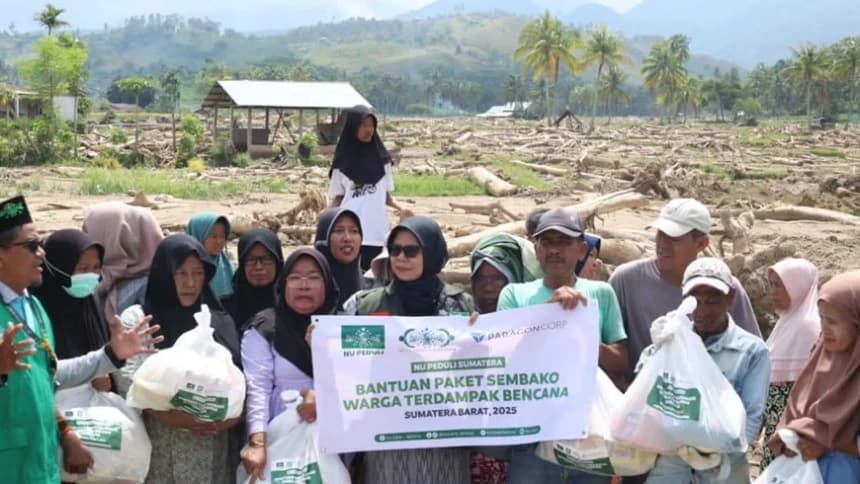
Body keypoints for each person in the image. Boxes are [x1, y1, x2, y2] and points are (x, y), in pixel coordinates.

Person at [0, 196, 162, 484]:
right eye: (32, 246)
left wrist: (109, 356)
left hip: (41, 462)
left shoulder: (34, 309)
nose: (41, 254)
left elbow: (49, 376)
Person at [494, 207, 628, 484]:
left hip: (589, 436)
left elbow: (620, 363)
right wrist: (549, 316)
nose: (554, 250)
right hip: (532, 438)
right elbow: (503, 359)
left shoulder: (601, 293)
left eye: (563, 242)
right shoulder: (514, 294)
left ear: (581, 250)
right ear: (536, 248)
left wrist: (580, 329)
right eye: (547, 242)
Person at [344, 215, 474, 484]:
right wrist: (320, 341)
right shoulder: (365, 306)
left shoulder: (461, 307)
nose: (401, 257)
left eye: (411, 250)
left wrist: (479, 337)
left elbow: (480, 365)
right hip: (388, 436)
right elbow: (345, 360)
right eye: (394, 250)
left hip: (445, 437)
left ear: (432, 253)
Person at [643, 257, 770, 484]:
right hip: (672, 464)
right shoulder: (673, 341)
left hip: (724, 468)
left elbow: (752, 416)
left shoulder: (751, 351)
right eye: (696, 301)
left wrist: (717, 453)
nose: (702, 310)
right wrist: (657, 352)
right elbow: (645, 392)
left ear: (730, 298)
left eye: (712, 301)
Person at [609, 199, 761, 383]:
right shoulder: (626, 281)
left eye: (674, 238)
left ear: (702, 243)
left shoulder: (725, 288)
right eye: (661, 234)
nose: (663, 244)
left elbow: (752, 354)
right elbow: (610, 346)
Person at [137, 234, 242, 484]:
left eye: (198, 273)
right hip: (162, 450)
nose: (191, 283)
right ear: (165, 274)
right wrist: (173, 417)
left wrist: (229, 419)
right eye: (181, 274)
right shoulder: (142, 320)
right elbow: (130, 383)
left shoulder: (217, 321)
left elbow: (240, 382)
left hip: (213, 450)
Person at [240, 248, 340, 482]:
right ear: (283, 285)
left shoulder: (343, 327)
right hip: (279, 436)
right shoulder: (265, 327)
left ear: (327, 284)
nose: (303, 285)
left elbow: (359, 385)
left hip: (334, 438)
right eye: (295, 278)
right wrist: (257, 442)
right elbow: (258, 389)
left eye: (314, 277)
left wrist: (324, 396)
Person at [767, 270, 860, 482]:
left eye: (834, 322)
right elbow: (795, 408)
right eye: (822, 319)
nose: (824, 329)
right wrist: (791, 437)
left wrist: (827, 442)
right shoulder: (821, 359)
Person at [468, 233, 542, 484]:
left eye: (497, 278)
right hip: (481, 449)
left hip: (529, 450)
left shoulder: (539, 319)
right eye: (481, 278)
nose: (488, 286)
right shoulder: (460, 321)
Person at [327, 105, 413, 272]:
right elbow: (338, 198)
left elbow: (387, 198)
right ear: (353, 127)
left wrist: (403, 209)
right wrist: (325, 216)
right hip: (349, 235)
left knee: (376, 278)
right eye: (363, 125)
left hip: (377, 233)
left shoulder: (383, 161)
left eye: (371, 125)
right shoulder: (342, 163)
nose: (368, 130)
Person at [31, 229, 112, 392]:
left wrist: (107, 379)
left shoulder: (90, 302)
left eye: (96, 267)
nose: (91, 275)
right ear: (58, 268)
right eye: (83, 269)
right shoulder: (37, 309)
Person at [760, 258, 821, 468]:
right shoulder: (786, 322)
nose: (773, 292)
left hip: (795, 430)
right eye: (772, 285)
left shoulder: (808, 327)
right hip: (775, 425)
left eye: (781, 285)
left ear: (798, 287)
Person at [83, 202, 164, 323]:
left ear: (116, 237)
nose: (84, 238)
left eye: (88, 231)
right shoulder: (104, 276)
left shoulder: (148, 288)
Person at [224, 228, 284, 331]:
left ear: (278, 263)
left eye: (266, 259)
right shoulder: (225, 310)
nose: (259, 267)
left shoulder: (291, 307)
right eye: (251, 260)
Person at [314, 207, 363, 309]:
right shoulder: (306, 288)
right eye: (339, 231)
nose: (347, 238)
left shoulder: (371, 288)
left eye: (354, 231)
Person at [186, 212, 235, 300]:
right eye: (214, 236)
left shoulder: (229, 269)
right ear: (197, 236)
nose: (219, 241)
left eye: (222, 236)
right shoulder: (182, 271)